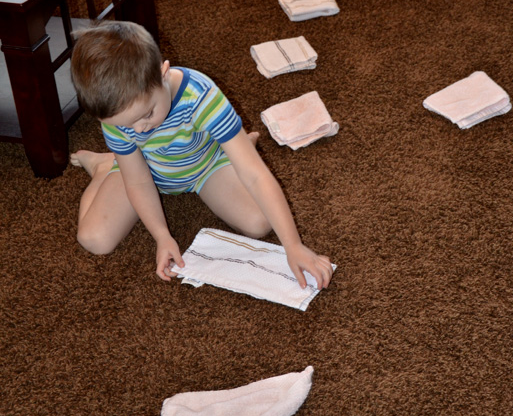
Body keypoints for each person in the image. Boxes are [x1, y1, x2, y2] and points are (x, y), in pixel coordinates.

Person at [70, 20, 333, 289]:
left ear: (163, 73)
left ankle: (235, 145)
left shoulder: (201, 96)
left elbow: (255, 175)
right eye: (126, 125)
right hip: (145, 169)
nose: (139, 129)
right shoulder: (117, 115)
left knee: (259, 222)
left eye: (147, 114)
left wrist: (293, 245)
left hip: (206, 165)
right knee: (94, 239)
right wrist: (162, 235)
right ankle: (105, 166)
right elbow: (137, 181)